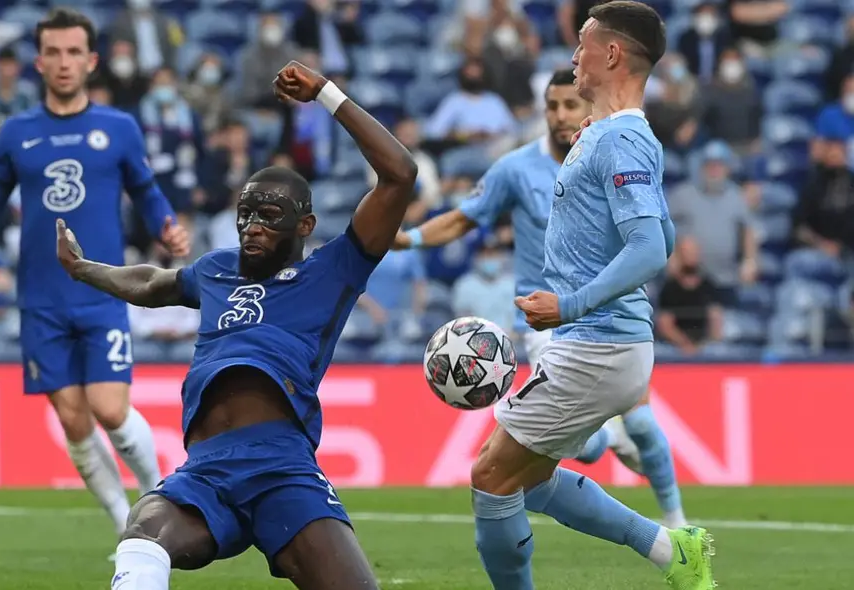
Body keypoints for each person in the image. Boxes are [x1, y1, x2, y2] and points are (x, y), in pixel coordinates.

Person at [54, 60, 417, 590]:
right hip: (205, 469)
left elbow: (400, 174)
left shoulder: (335, 268)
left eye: (270, 215)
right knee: (141, 535)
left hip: (281, 466)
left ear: (305, 225)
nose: (252, 225)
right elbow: (154, 284)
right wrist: (85, 269)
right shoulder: (216, 268)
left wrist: (326, 94)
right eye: (246, 212)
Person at [467, 3, 715, 589]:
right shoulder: (614, 134)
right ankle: (668, 549)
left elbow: (653, 248)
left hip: (596, 345)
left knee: (489, 476)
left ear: (611, 54)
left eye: (582, 44)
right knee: (529, 480)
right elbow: (665, 232)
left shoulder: (620, 139)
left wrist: (571, 303)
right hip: (597, 345)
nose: (573, 55)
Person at [394, 67, 689, 529]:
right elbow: (463, 218)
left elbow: (650, 234)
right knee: (584, 444)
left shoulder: (613, 155)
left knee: (646, 429)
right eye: (552, 106)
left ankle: (677, 523)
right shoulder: (516, 168)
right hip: (548, 324)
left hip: (613, 316)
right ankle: (606, 441)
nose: (559, 115)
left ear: (589, 105)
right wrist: (408, 239)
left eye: (570, 104)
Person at [0, 8, 190, 543]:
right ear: (39, 63)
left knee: (110, 407)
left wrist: (168, 226)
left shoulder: (118, 127)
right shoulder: (17, 133)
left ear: (91, 61)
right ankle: (124, 527)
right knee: (73, 420)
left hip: (102, 291)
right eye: (54, 53)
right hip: (40, 299)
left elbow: (147, 192)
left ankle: (162, 495)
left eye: (73, 53)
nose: (64, 63)